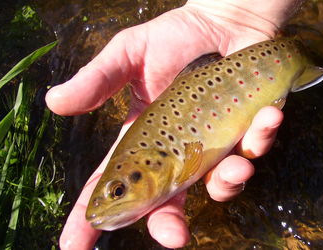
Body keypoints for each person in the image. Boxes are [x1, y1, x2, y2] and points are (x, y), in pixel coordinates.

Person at [45, 0, 302, 249]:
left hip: (274, 55)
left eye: (119, 190)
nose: (114, 199)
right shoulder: (156, 161)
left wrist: (233, 10)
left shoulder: (177, 167)